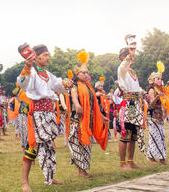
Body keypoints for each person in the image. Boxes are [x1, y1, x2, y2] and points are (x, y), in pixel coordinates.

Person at [17, 44, 72, 191]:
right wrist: (26, 68)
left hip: (49, 113)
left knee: (49, 147)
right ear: (37, 57)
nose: (48, 57)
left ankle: (50, 176)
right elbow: (22, 83)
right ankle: (24, 182)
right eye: (45, 55)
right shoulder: (32, 72)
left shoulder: (48, 74)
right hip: (36, 114)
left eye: (48, 55)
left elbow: (58, 86)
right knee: (33, 147)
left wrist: (66, 84)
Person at [68, 51, 108, 178]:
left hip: (88, 119)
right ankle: (81, 170)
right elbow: (74, 96)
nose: (86, 75)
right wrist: (78, 105)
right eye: (83, 73)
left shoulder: (89, 87)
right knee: (78, 143)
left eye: (87, 72)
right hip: (78, 119)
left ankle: (84, 169)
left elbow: (93, 105)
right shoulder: (74, 85)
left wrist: (101, 117)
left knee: (87, 144)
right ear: (77, 74)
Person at [116, 46, 146, 170]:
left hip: (135, 104)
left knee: (133, 134)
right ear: (124, 57)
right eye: (129, 56)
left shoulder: (132, 72)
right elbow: (123, 67)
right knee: (125, 135)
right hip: (128, 104)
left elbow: (137, 88)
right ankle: (122, 163)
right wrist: (129, 55)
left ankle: (130, 161)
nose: (133, 58)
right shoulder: (122, 69)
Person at [146, 71, 167, 164]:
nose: (159, 80)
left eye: (160, 79)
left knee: (161, 137)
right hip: (153, 116)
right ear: (152, 80)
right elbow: (150, 104)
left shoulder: (160, 90)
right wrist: (157, 97)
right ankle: (151, 157)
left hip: (159, 115)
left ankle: (162, 158)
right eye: (157, 79)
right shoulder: (152, 90)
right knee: (154, 137)